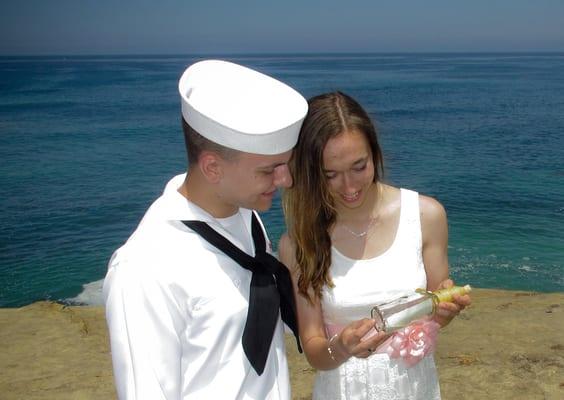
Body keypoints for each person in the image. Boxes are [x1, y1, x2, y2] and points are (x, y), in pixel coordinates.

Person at [103, 60, 308, 399]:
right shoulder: (145, 269)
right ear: (213, 167)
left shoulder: (246, 218)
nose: (285, 180)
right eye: (269, 170)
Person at [279, 91, 471, 400]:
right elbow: (314, 349)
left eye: (359, 166)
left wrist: (445, 313)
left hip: (415, 388)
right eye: (331, 175)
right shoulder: (300, 241)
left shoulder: (425, 216)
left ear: (375, 152)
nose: (350, 187)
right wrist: (341, 346)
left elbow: (435, 308)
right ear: (311, 173)